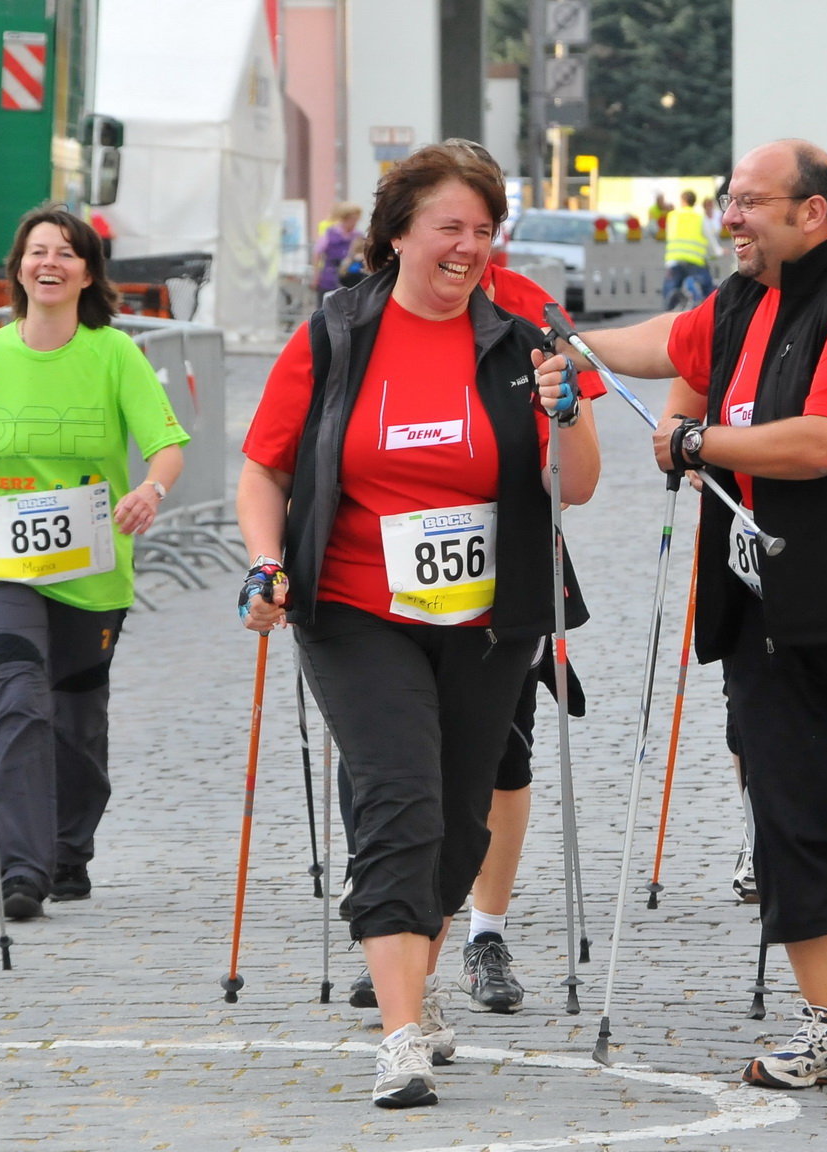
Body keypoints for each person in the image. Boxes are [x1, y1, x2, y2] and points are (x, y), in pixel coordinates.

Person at [537, 138, 827, 1087]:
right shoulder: (746, 294)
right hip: (772, 608)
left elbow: (825, 444)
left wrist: (696, 439)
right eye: (728, 200)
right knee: (787, 817)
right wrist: (567, 342)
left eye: (748, 202)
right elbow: (673, 340)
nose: (730, 218)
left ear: (812, 212)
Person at [237, 143, 600, 1108]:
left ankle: (421, 975)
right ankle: (400, 1034)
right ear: (398, 234)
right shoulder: (334, 335)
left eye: (484, 231)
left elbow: (578, 487)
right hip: (357, 608)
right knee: (398, 800)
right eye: (450, 228)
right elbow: (265, 468)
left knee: (459, 819)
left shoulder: (522, 339)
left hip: (488, 618)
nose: (469, 248)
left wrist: (567, 413)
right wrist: (267, 563)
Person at [0, 208, 189, 920]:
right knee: (19, 695)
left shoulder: (114, 353)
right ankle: (20, 869)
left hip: (92, 569)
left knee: (77, 719)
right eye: (37, 251)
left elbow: (166, 445)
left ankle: (68, 850)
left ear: (88, 273)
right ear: (18, 268)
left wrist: (150, 491)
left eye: (66, 253)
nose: (50, 263)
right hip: (3, 563)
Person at [661, 189, 717, 309]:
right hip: (695, 259)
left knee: (670, 289)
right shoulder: (699, 217)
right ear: (694, 202)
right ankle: (712, 311)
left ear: (682, 201)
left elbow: (668, 234)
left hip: (675, 259)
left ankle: (668, 312)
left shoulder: (672, 215)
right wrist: (718, 251)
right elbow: (709, 236)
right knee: (707, 288)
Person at [313, 202, 363, 304]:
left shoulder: (358, 236)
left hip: (349, 281)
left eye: (356, 219)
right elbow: (317, 253)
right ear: (344, 218)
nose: (354, 222)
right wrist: (316, 276)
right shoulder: (330, 233)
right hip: (329, 279)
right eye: (352, 219)